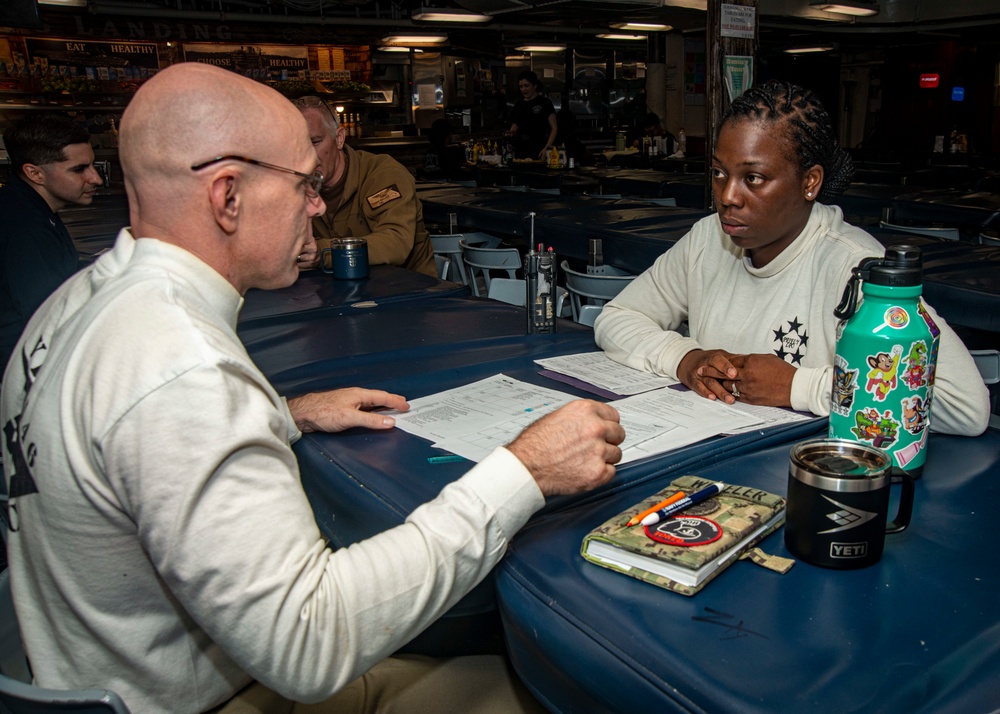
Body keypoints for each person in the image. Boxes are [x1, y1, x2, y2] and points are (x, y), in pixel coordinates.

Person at [1, 62, 625, 713]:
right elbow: (310, 645)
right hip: (210, 697)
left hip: (102, 670)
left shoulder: (79, 302)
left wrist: (282, 414)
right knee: (536, 691)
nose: (320, 204)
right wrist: (524, 472)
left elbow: (129, 438)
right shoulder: (184, 369)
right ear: (227, 196)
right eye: (304, 184)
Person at [595, 80, 989, 437]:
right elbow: (617, 317)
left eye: (753, 178)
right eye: (718, 173)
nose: (727, 196)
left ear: (810, 182)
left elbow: (964, 405)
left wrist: (798, 387)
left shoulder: (855, 267)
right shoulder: (707, 239)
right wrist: (685, 357)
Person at [0, 113, 103, 373]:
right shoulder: (26, 228)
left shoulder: (29, 207)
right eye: (79, 169)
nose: (96, 179)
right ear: (34, 173)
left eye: (92, 165)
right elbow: (50, 320)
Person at [292, 95, 436, 277]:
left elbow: (396, 244)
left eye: (314, 142)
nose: (306, 155)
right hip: (336, 292)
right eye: (296, 146)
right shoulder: (294, 186)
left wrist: (322, 252)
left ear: (339, 138)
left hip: (410, 293)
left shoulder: (382, 173)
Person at [507, 70, 557, 160]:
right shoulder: (519, 104)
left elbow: (554, 128)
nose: (523, 89)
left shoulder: (545, 103)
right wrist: (510, 135)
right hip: (520, 151)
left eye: (526, 86)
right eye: (521, 87)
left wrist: (547, 148)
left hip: (539, 149)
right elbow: (514, 127)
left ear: (535, 85)